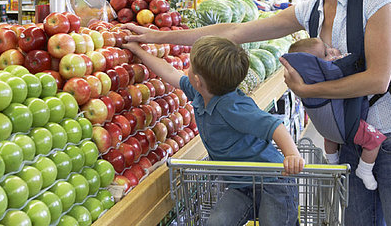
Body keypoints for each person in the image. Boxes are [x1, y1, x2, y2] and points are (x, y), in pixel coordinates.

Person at [123, 0, 391, 226]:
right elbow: (233, 32)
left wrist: (309, 91)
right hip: (350, 140)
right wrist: (157, 36)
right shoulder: (310, 9)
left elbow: (378, 80)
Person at [123, 36, 304, 226]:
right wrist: (140, 53)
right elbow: (169, 71)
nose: (187, 69)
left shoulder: (233, 107)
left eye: (191, 66)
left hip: (273, 182)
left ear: (198, 80)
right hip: (240, 186)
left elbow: (275, 126)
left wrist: (291, 154)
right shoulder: (200, 94)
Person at [286, 37, 386, 190]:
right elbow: (350, 62)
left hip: (328, 129)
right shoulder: (331, 72)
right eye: (326, 54)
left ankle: (332, 162)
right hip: (348, 127)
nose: (332, 52)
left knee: (331, 136)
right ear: (318, 66)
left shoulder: (308, 79)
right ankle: (365, 170)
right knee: (374, 141)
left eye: (328, 48)